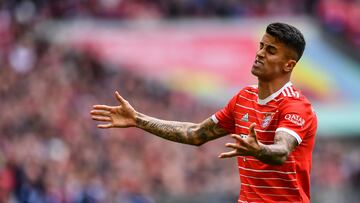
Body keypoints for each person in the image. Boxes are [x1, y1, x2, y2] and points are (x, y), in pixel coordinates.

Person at [90, 22, 317, 203]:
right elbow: (196, 133)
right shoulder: (243, 98)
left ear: (288, 65)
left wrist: (259, 150)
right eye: (261, 46)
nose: (259, 54)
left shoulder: (295, 105)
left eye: (271, 50)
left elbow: (281, 150)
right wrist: (138, 119)